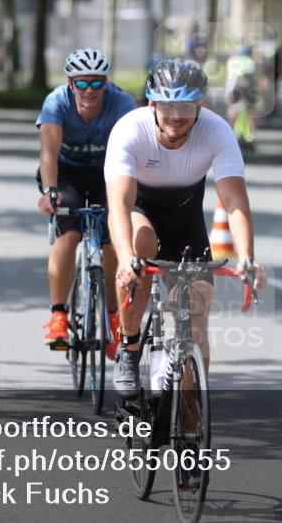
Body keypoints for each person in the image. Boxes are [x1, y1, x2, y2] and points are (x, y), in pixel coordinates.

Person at [104, 58, 266, 398]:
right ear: (152, 103)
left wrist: (247, 257)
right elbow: (119, 203)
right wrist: (124, 258)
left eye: (186, 106)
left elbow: (234, 201)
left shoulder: (216, 130)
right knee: (140, 245)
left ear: (200, 105)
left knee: (196, 319)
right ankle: (129, 349)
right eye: (168, 106)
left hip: (185, 221)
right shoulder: (130, 129)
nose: (176, 115)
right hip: (140, 211)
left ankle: (190, 421)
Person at [37, 47, 138, 355]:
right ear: (71, 84)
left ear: (106, 83)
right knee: (68, 235)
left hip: (109, 173)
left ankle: (111, 317)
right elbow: (49, 153)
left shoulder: (122, 104)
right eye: (82, 83)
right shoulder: (56, 103)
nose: (89, 91)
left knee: (111, 242)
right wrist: (50, 192)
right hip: (67, 174)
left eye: (97, 83)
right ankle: (58, 314)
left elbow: (134, 153)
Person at [224, 44, 262, 149]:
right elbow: (255, 78)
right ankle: (251, 135)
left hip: (234, 87)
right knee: (252, 109)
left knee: (233, 107)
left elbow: (229, 76)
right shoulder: (252, 61)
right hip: (248, 86)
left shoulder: (232, 60)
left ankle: (231, 132)